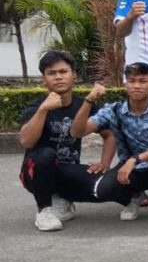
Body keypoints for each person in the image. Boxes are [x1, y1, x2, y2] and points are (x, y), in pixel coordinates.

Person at [71, 63, 148, 225]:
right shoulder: (113, 110)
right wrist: (89, 101)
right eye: (132, 81)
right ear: (125, 84)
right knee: (103, 190)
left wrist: (135, 159)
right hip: (129, 170)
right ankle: (133, 196)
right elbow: (77, 132)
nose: (136, 86)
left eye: (143, 81)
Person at [19, 51, 115, 232]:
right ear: (44, 80)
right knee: (46, 155)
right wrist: (43, 110)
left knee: (107, 187)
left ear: (74, 76)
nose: (58, 77)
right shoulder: (35, 106)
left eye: (63, 72)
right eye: (51, 73)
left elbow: (109, 135)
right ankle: (44, 211)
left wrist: (105, 163)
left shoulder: (84, 104)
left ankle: (62, 198)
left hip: (68, 170)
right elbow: (27, 142)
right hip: (35, 172)